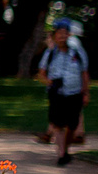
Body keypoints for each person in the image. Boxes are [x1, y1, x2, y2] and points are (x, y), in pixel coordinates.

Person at [37, 18, 89, 166]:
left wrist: (86, 92)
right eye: (59, 33)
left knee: (72, 125)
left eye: (65, 33)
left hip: (74, 92)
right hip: (57, 94)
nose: (62, 36)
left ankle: (65, 150)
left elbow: (84, 73)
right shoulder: (50, 53)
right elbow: (41, 73)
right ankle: (61, 154)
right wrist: (50, 82)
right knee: (58, 124)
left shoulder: (77, 52)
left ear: (69, 35)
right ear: (54, 36)